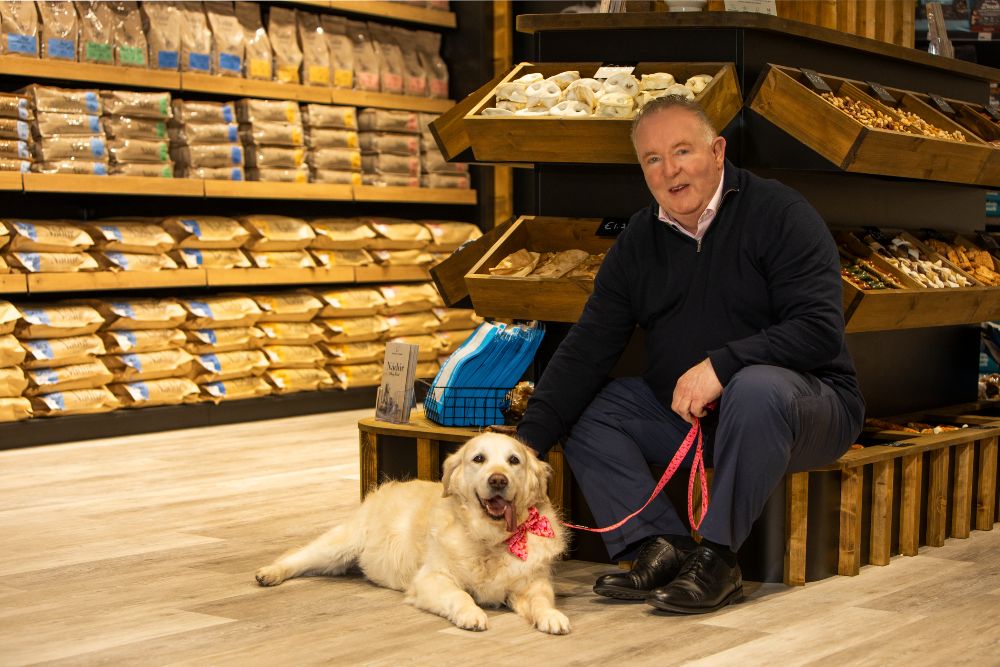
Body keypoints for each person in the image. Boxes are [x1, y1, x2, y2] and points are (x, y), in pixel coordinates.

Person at [514, 95, 865, 614]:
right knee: (589, 407)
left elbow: (818, 331)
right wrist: (521, 450)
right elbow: (587, 346)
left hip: (806, 409)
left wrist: (723, 364)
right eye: (653, 159)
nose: (670, 170)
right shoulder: (638, 240)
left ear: (718, 150)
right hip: (691, 418)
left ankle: (719, 560)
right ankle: (660, 547)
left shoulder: (781, 214)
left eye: (682, 151)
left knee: (755, 386)